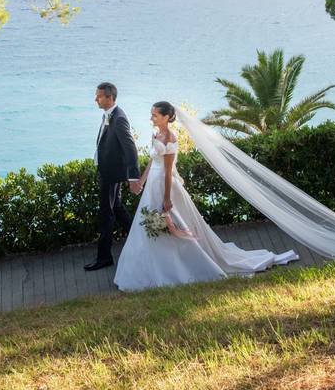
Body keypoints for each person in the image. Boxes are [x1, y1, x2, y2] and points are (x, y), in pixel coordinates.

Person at [114, 101, 298, 291]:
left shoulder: (170, 138)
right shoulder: (156, 134)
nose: (151, 118)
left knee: (172, 223)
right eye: (151, 114)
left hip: (164, 186)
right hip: (152, 184)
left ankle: (184, 264)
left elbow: (168, 172)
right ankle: (149, 268)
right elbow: (153, 162)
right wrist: (141, 182)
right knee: (149, 225)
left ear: (166, 117)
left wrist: (167, 199)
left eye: (154, 115)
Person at [85, 82, 140, 271]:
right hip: (107, 171)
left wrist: (133, 177)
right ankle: (140, 239)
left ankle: (104, 257)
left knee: (106, 215)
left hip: (111, 174)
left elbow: (130, 147)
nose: (95, 99)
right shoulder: (108, 115)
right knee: (116, 208)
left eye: (99, 96)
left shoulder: (119, 118)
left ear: (110, 98)